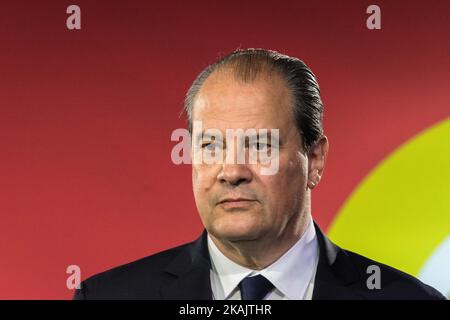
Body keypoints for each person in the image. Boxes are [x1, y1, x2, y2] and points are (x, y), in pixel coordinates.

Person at [74, 48, 445, 300]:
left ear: (314, 160)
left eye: (259, 146)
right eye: (210, 146)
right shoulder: (108, 296)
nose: (231, 171)